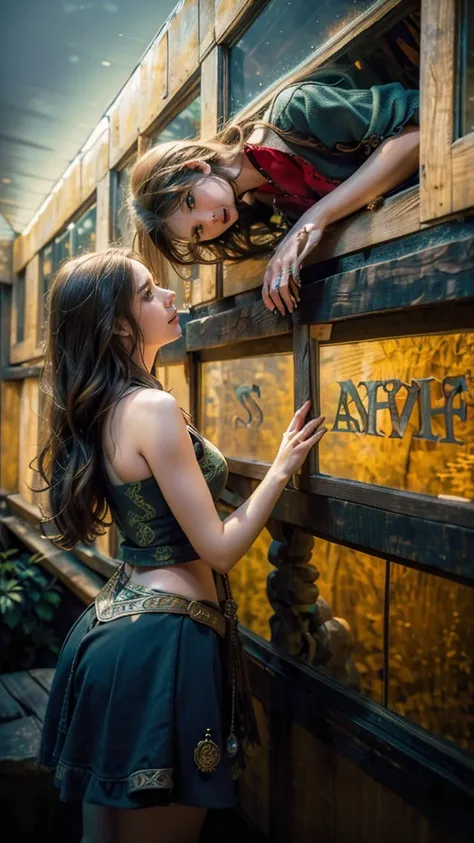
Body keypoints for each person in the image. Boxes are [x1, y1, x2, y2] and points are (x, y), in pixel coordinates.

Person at [35, 247, 327, 843]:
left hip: (112, 632)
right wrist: (280, 469)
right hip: (165, 643)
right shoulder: (153, 408)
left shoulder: (106, 406)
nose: (168, 296)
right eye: (147, 293)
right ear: (118, 325)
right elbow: (218, 549)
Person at [129, 68, 420, 318]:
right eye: (197, 230)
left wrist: (316, 216)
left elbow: (419, 135)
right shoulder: (267, 202)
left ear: (197, 166)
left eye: (191, 201)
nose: (211, 219)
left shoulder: (295, 109)